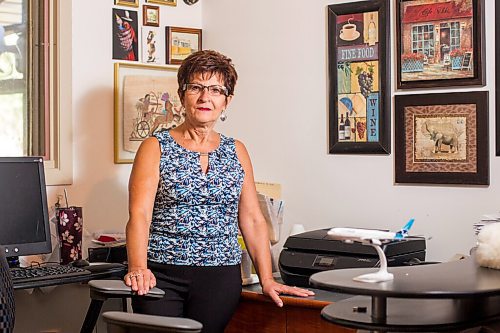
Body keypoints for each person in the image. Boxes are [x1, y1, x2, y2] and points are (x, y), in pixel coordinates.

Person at [124, 50, 314, 333]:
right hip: (161, 276)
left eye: (215, 90)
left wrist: (267, 278)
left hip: (220, 278)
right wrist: (138, 267)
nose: (205, 97)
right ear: (181, 95)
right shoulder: (155, 147)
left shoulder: (236, 150)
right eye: (196, 87)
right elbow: (140, 215)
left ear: (227, 100)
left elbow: (252, 219)